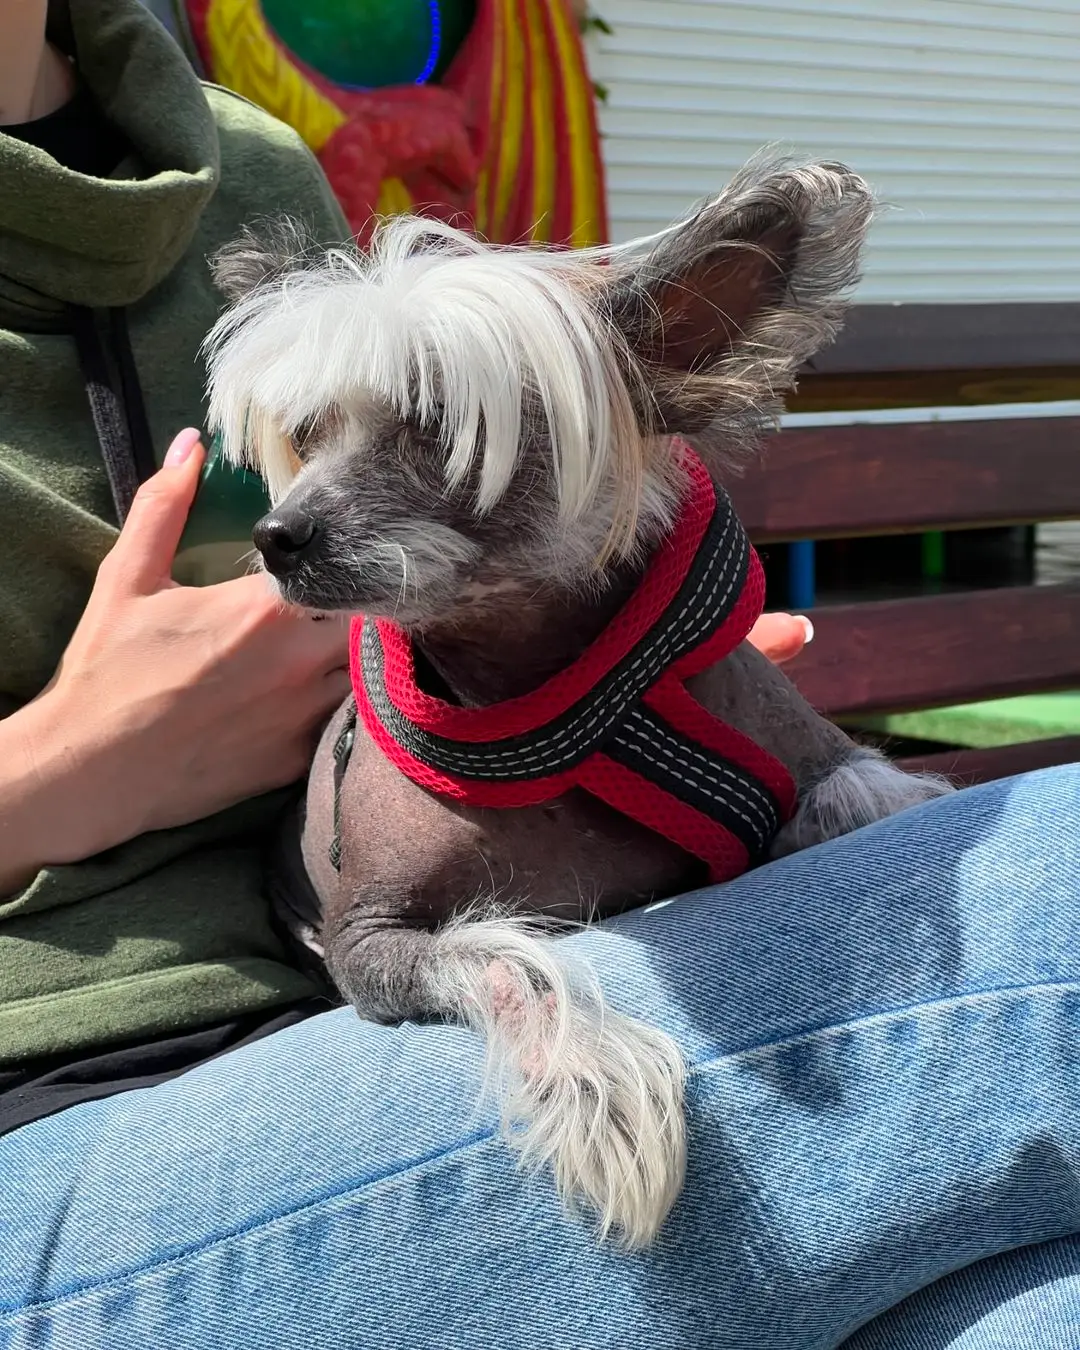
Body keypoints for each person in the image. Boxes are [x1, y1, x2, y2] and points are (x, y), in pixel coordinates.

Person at [1, 3, 1078, 1347]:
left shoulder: (247, 166)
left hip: (335, 1023)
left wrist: (649, 705)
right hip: (58, 1136)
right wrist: (51, 773)